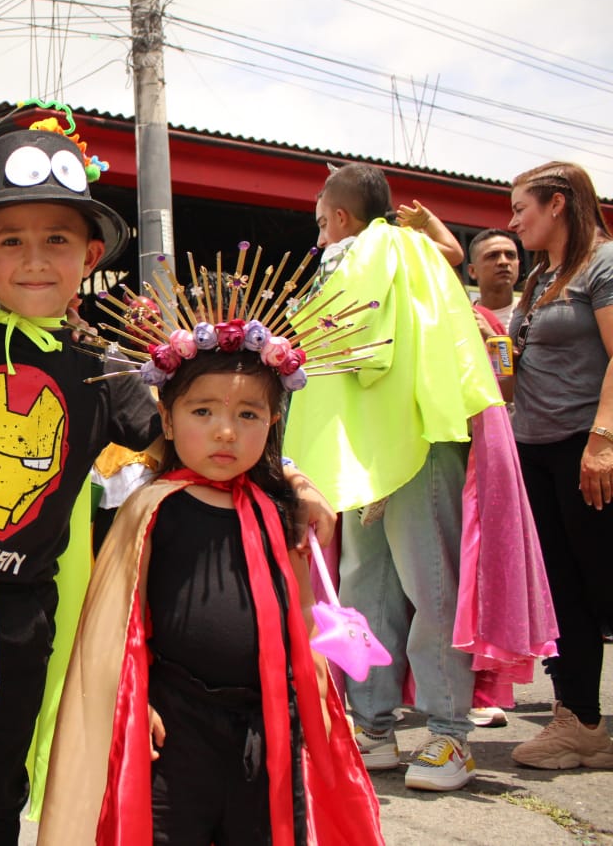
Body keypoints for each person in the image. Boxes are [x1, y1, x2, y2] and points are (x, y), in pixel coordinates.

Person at [0, 125, 335, 845]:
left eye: (57, 241)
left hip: (20, 622)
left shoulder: (105, 372)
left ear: (90, 256)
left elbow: (193, 443)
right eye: (11, 241)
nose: (35, 259)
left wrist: (292, 480)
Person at [39, 311, 383, 844]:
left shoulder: (279, 507)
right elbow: (119, 625)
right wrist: (139, 697)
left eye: (249, 414)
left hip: (267, 723)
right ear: (169, 420)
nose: (226, 431)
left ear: (273, 421)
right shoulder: (151, 507)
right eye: (203, 411)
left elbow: (302, 614)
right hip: (176, 727)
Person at [290, 163, 504, 792]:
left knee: (428, 582)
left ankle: (448, 734)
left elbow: (363, 343)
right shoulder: (400, 250)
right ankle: (374, 727)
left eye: (320, 217)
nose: (320, 230)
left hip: (411, 435)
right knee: (363, 586)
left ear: (338, 217)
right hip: (360, 448)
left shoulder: (385, 249)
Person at [505, 161, 613, 770]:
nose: (513, 221)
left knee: (604, 577)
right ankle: (579, 723)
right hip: (537, 449)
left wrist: (603, 440)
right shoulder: (543, 274)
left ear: (558, 205)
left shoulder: (604, 263)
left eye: (522, 208)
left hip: (586, 446)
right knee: (562, 590)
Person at [468, 228, 521, 337]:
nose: (504, 262)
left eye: (510, 255)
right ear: (473, 271)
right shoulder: (464, 318)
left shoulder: (534, 314)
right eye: (492, 256)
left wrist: (492, 337)